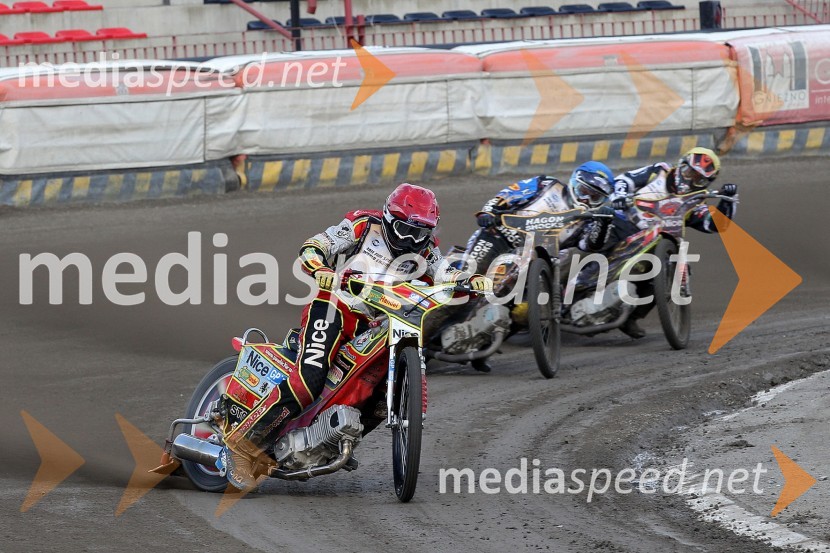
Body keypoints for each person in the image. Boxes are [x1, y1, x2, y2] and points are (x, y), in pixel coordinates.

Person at [220, 183, 493, 491]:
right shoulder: (364, 225)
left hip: (376, 323)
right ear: (390, 218)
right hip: (334, 308)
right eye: (405, 229)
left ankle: (332, 439)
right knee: (309, 380)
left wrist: (470, 280)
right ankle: (241, 446)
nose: (411, 239)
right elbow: (316, 245)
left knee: (378, 398)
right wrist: (319, 267)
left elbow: (446, 274)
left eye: (420, 232)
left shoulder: (427, 250)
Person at [467, 160, 617, 372]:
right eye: (585, 191)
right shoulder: (546, 185)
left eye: (595, 197)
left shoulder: (588, 220)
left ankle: (482, 344)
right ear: (575, 182)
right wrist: (489, 213)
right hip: (500, 237)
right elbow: (510, 193)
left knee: (524, 310)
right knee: (466, 280)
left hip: (535, 263)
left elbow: (590, 245)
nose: (586, 199)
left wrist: (604, 221)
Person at [610, 147, 739, 339]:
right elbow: (624, 180)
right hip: (625, 225)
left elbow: (715, 225)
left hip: (657, 245)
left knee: (664, 276)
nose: (690, 180)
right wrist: (619, 196)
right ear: (681, 166)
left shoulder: (695, 202)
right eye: (689, 173)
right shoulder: (658, 171)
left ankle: (631, 317)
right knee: (598, 233)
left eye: (699, 179)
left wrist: (728, 201)